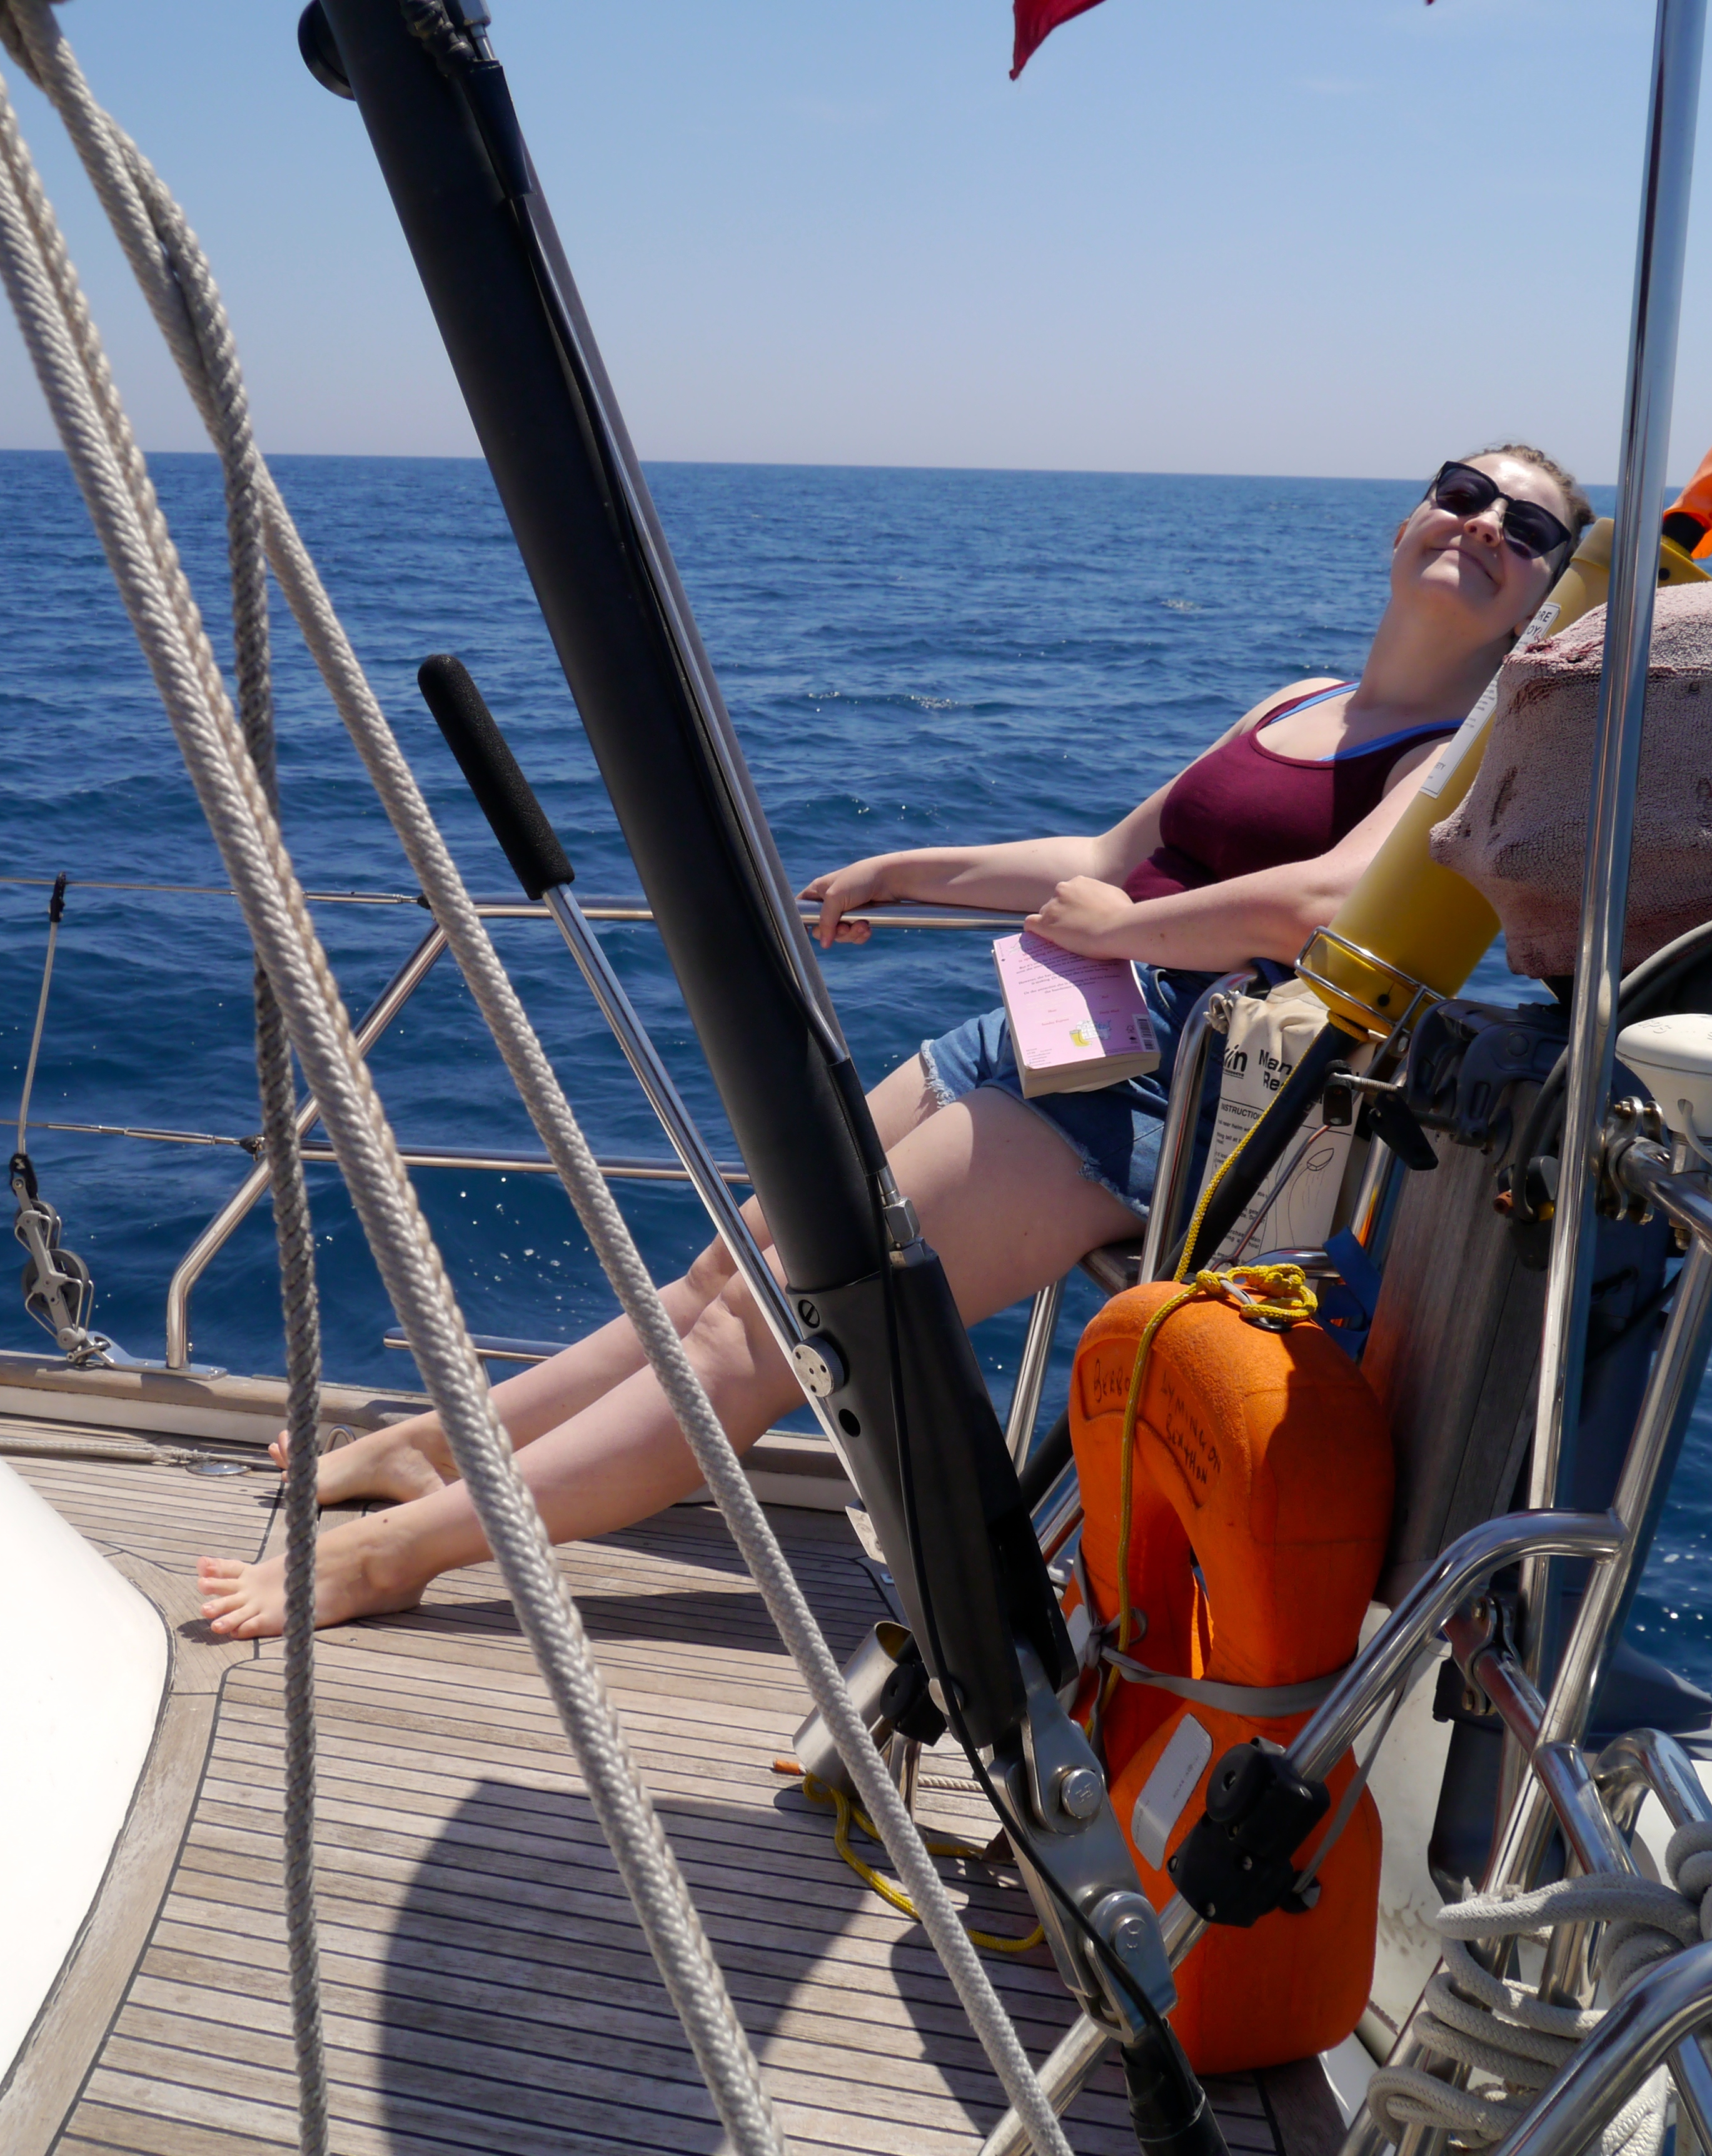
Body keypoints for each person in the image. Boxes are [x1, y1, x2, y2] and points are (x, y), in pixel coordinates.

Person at [195, 445, 1591, 1637]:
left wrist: (1124, 931)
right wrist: (915, 868)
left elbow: (1324, 905)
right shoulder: (1294, 703)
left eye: (1528, 528)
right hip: (1035, 1026)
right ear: (1406, 519)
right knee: (720, 1271)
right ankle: (433, 1448)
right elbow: (1105, 858)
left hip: (1135, 1097)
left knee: (768, 1337)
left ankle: (406, 1554)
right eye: (1464, 491)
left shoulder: (1456, 758)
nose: (1484, 524)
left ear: (1543, 595)